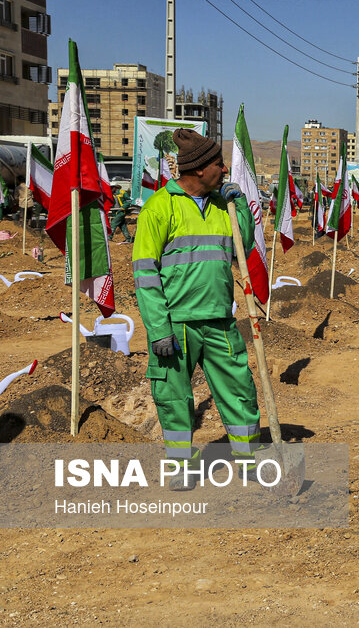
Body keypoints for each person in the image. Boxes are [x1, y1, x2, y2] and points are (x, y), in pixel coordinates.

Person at [132, 129, 261, 490]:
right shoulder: (160, 207)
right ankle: (181, 469)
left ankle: (250, 462)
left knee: (240, 392)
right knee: (174, 400)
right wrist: (158, 329)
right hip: (176, 325)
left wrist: (241, 211)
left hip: (220, 321)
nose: (224, 169)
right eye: (218, 164)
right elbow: (144, 275)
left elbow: (243, 249)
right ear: (200, 169)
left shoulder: (224, 205)